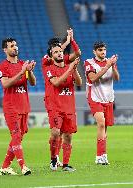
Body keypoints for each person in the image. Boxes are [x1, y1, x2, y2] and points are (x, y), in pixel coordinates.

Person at [42, 28, 81, 170]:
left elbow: (80, 83)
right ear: (51, 54)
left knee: (68, 136)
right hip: (55, 106)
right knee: (55, 132)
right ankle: (53, 158)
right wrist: (70, 68)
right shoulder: (48, 66)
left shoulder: (67, 65)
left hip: (69, 107)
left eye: (60, 51)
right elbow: (56, 83)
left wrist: (74, 69)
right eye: (56, 51)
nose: (59, 53)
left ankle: (65, 164)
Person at [0, 38, 36, 175]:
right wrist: (21, 72)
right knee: (16, 134)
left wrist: (29, 71)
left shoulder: (22, 64)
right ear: (5, 50)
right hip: (11, 106)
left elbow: (33, 83)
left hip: (24, 105)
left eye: (16, 45)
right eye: (11, 46)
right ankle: (23, 166)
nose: (15, 47)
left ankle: (5, 167)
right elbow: (5, 84)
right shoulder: (2, 66)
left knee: (18, 137)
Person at [84, 41, 119, 165]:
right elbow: (93, 78)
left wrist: (113, 66)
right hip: (95, 97)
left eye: (104, 50)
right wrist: (107, 66)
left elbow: (117, 78)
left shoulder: (109, 62)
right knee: (101, 124)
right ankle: (99, 156)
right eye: (100, 50)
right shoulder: (89, 63)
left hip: (108, 98)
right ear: (94, 51)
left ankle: (103, 154)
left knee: (105, 127)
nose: (103, 52)